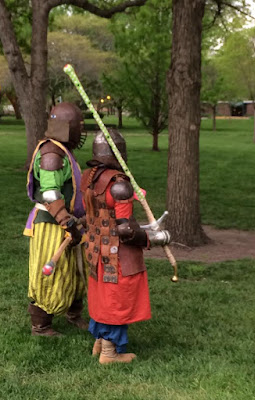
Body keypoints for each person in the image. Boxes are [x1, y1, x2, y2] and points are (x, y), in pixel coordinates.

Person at [81, 128, 171, 364]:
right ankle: (111, 352)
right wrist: (157, 239)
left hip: (95, 250)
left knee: (103, 296)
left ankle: (100, 343)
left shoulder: (88, 177)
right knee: (116, 299)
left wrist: (147, 228)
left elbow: (106, 218)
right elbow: (125, 231)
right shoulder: (119, 184)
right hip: (116, 255)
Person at [24, 102, 89, 336]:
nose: (82, 131)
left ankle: (74, 314)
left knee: (75, 271)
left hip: (70, 223)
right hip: (52, 224)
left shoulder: (62, 149)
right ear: (68, 127)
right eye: (79, 126)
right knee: (51, 274)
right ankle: (41, 325)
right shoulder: (52, 153)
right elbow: (50, 193)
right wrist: (67, 221)